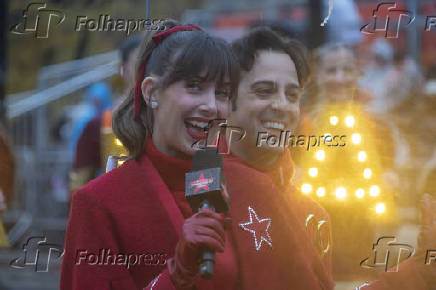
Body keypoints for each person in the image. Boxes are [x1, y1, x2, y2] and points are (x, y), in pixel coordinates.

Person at [61, 19, 242, 289]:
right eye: (194, 86)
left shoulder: (244, 184)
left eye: (223, 93)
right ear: (151, 92)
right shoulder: (98, 203)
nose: (211, 106)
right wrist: (178, 273)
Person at [69, 36, 140, 194]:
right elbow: (78, 189)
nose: (147, 70)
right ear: (122, 68)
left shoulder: (169, 122)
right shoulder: (98, 125)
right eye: (139, 63)